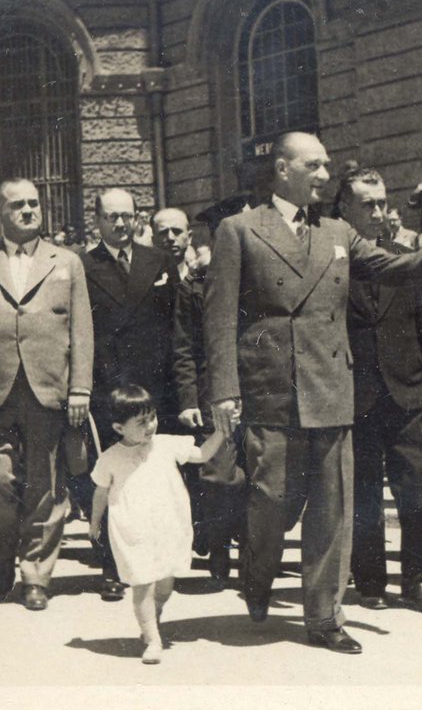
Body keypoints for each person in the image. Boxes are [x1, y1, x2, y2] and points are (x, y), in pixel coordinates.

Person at [203, 131, 422, 654]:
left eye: (327, 166)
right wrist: (223, 390)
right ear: (283, 169)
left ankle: (324, 616)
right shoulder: (239, 230)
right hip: (272, 388)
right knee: (272, 501)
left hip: (331, 386)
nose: (325, 176)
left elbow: (390, 268)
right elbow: (219, 318)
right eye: (315, 166)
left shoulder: (337, 232)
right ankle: (257, 572)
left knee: (333, 508)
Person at [0, 178, 94, 611]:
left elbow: (82, 330)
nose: (27, 211)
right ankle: (2, 549)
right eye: (17, 205)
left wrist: (80, 387)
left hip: (48, 387)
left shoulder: (67, 262)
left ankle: (36, 573)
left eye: (33, 203)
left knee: (45, 485)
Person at [335, 167, 422, 614]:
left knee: (418, 487)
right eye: (368, 204)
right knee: (363, 494)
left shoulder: (406, 259)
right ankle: (370, 582)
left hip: (410, 392)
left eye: (383, 203)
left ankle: (420, 580)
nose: (379, 212)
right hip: (356, 395)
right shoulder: (333, 264)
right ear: (344, 209)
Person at [77, 188, 181, 601]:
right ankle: (112, 567)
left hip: (155, 388)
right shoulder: (84, 265)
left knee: (154, 480)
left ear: (137, 218)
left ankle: (157, 564)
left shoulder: (159, 261)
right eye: (111, 217)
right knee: (114, 481)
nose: (120, 223)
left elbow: (175, 324)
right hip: (110, 390)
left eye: (127, 216)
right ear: (97, 221)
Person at [89, 384, 226, 664]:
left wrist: (221, 433)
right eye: (141, 422)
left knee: (164, 585)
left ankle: (155, 614)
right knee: (142, 583)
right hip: (132, 530)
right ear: (119, 427)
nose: (150, 425)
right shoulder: (110, 457)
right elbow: (100, 492)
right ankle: (152, 639)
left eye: (152, 417)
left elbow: (202, 454)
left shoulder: (166, 444)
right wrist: (94, 523)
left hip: (168, 525)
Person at [172, 223, 244, 589]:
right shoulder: (194, 286)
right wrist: (188, 399)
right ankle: (219, 545)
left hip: (259, 391)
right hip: (211, 392)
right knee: (217, 475)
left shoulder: (256, 277)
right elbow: (183, 348)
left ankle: (251, 550)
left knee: (258, 476)